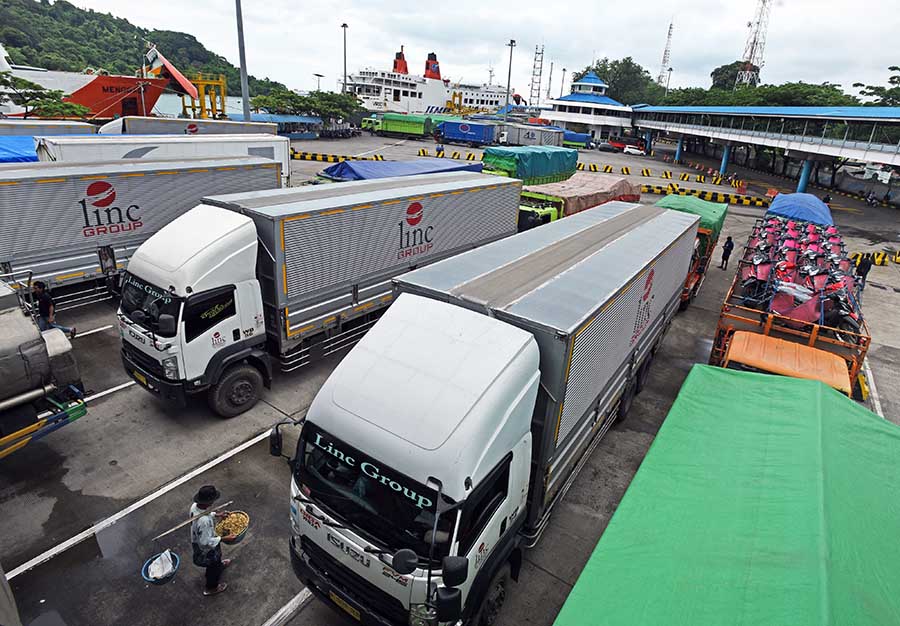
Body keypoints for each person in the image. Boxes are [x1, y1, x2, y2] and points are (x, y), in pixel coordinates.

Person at [190, 485, 236, 596]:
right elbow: (205, 542)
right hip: (205, 549)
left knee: (217, 560)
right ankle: (211, 588)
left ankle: (219, 565)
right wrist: (224, 538)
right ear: (209, 502)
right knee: (212, 567)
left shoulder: (195, 506)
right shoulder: (204, 522)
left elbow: (204, 513)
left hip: (199, 539)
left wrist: (216, 514)